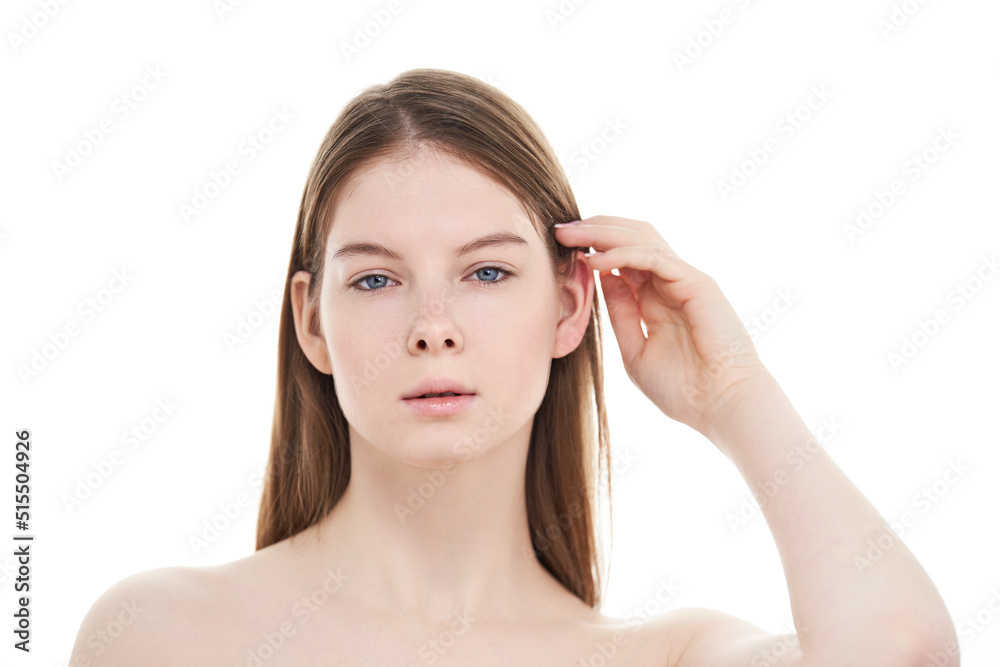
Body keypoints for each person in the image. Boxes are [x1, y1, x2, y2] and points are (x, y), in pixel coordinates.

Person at [70, 68, 958, 666]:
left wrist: (734, 392)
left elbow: (901, 651)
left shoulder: (668, 655)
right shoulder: (164, 633)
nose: (432, 327)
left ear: (570, 305)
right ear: (311, 321)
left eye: (487, 271)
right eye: (377, 278)